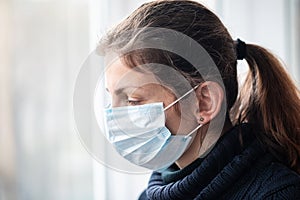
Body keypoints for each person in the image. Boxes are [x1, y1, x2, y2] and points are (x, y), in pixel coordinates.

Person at [99, 0, 300, 199]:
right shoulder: (151, 194)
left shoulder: (278, 194)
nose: (115, 117)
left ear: (205, 102)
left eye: (133, 100)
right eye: (112, 97)